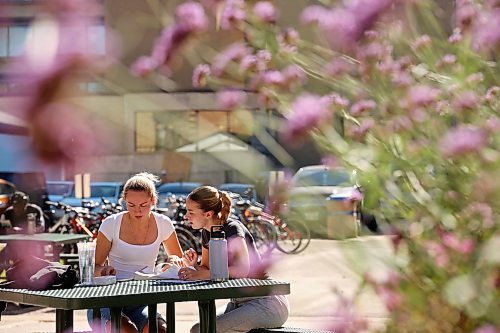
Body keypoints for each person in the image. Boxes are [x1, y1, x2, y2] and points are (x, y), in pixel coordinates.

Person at [178, 186, 290, 333]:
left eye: (191, 212)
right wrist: (194, 266)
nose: (186, 216)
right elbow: (206, 269)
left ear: (208, 214)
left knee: (203, 330)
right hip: (239, 303)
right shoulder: (206, 233)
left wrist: (204, 273)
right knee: (197, 330)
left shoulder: (232, 229)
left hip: (266, 302)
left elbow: (243, 269)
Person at [88, 172, 186, 333]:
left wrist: (173, 262)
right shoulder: (110, 224)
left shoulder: (163, 223)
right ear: (124, 201)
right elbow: (94, 268)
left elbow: (178, 260)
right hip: (107, 299)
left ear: (153, 201)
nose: (137, 211)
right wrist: (104, 270)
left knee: (161, 330)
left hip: (142, 300)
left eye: (144, 205)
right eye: (131, 205)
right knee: (127, 330)